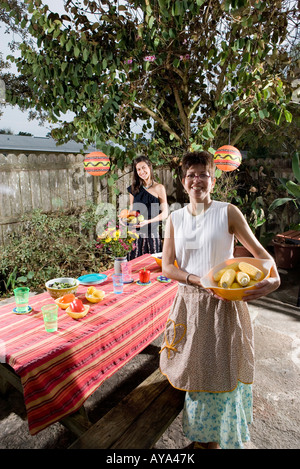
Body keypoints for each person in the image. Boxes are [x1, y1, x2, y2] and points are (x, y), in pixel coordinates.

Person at [159, 151, 280, 450]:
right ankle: (203, 441)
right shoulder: (175, 218)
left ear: (213, 180)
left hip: (224, 306)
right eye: (191, 175)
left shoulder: (228, 212)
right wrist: (198, 280)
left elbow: (263, 257)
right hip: (189, 305)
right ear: (183, 182)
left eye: (203, 174)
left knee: (224, 376)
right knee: (196, 377)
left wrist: (274, 280)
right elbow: (167, 267)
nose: (197, 179)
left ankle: (220, 441)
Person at [127, 156, 168, 259]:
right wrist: (124, 217)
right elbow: (131, 211)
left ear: (149, 167)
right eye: (138, 169)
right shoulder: (133, 189)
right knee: (134, 265)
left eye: (143, 167)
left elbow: (165, 213)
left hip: (152, 235)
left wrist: (148, 221)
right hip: (135, 235)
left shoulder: (159, 188)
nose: (141, 171)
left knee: (153, 265)